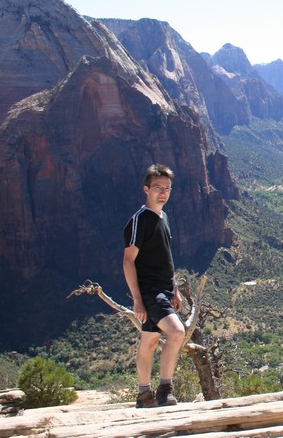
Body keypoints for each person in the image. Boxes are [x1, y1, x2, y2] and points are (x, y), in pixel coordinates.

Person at [123, 163, 185, 408]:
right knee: (177, 332)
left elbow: (166, 256)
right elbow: (128, 261)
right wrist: (137, 299)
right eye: (157, 187)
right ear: (145, 189)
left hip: (164, 289)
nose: (163, 192)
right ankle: (165, 389)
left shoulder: (164, 216)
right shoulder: (140, 220)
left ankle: (143, 394)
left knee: (149, 340)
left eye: (167, 188)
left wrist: (175, 288)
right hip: (149, 291)